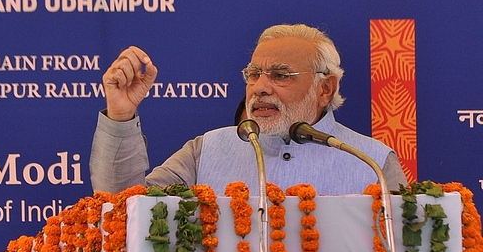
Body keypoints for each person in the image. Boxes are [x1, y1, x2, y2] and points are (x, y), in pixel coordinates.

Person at [90, 23, 407, 196]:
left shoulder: (373, 162)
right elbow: (124, 210)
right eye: (253, 74)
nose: (260, 87)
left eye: (281, 75)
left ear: (326, 89)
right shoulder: (208, 150)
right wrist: (120, 115)